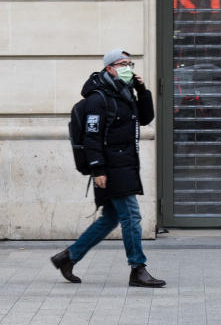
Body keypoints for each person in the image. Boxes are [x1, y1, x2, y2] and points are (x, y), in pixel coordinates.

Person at [51, 48, 166, 288]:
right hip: (110, 168)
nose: (128, 68)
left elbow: (145, 118)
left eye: (130, 64)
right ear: (109, 68)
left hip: (124, 164)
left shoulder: (123, 94)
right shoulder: (98, 98)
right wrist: (98, 169)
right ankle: (138, 268)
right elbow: (91, 136)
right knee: (132, 216)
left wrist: (141, 90)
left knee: (111, 218)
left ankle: (68, 257)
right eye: (123, 64)